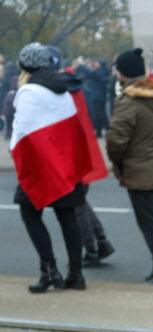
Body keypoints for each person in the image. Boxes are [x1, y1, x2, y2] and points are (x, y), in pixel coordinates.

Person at [12, 43, 87, 293]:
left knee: (29, 211)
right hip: (65, 163)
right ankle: (76, 275)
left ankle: (49, 270)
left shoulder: (28, 92)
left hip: (41, 166)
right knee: (67, 216)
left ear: (25, 65)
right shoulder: (62, 88)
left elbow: (22, 133)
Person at [107, 48, 153, 285]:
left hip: (140, 171)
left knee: (150, 225)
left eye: (117, 70)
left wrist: (118, 162)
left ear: (124, 74)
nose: (115, 73)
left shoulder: (128, 101)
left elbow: (116, 140)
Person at [2, 75, 17, 140]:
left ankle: (7, 135)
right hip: (10, 112)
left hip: (7, 111)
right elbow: (12, 103)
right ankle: (8, 135)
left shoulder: (10, 92)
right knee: (10, 124)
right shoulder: (13, 93)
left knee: (8, 124)